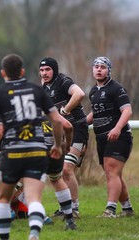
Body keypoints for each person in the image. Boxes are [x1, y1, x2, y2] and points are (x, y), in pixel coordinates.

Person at [0, 54, 63, 240]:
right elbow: (56, 120)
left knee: (3, 198)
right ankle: (33, 235)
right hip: (37, 151)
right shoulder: (37, 90)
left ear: (3, 73)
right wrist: (57, 145)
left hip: (11, 154)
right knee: (34, 199)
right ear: (22, 72)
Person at [39, 57, 88, 217]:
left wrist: (65, 110)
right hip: (60, 132)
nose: (44, 73)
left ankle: (74, 209)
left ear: (55, 70)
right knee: (58, 171)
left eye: (47, 70)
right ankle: (65, 208)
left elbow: (79, 94)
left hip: (77, 129)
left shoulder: (63, 81)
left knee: (67, 169)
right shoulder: (44, 87)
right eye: (41, 70)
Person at [87, 56, 134, 218]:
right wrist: (79, 124)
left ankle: (110, 210)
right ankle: (127, 209)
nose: (99, 69)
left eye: (103, 67)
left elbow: (127, 111)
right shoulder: (93, 91)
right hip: (101, 138)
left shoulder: (116, 88)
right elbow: (95, 113)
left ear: (109, 70)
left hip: (118, 137)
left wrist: (117, 128)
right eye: (96, 67)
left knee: (111, 171)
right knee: (114, 174)